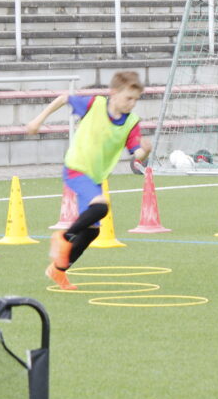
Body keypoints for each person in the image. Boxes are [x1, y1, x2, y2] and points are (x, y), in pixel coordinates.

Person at [25, 71, 151, 290]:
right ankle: (63, 237)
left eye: (136, 100)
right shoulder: (95, 104)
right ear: (114, 93)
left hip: (95, 177)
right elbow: (64, 98)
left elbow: (136, 153)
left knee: (93, 231)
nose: (132, 104)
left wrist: (145, 151)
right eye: (128, 98)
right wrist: (37, 120)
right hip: (76, 167)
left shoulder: (131, 122)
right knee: (101, 206)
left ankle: (58, 270)